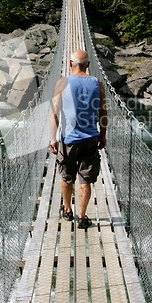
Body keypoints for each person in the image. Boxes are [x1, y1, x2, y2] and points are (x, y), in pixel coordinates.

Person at [49, 49, 107, 229]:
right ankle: (82, 217)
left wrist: (53, 138)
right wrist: (103, 135)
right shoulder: (97, 83)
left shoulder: (62, 82)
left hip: (69, 140)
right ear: (88, 65)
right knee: (85, 180)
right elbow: (103, 112)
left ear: (70, 64)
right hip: (91, 138)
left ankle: (67, 210)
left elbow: (55, 113)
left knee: (67, 178)